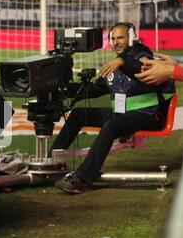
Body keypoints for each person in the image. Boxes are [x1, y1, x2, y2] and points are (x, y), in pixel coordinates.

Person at [52, 22, 175, 194]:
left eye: (121, 38)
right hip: (123, 114)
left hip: (149, 116)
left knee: (112, 124)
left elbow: (140, 70)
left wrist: (121, 61)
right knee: (79, 114)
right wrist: (66, 91)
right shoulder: (116, 64)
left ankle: (82, 179)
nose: (116, 42)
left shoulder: (143, 55)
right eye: (113, 39)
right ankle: (51, 164)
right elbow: (95, 90)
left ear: (131, 38)